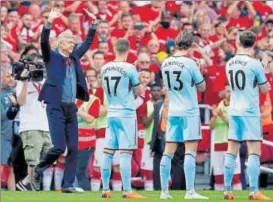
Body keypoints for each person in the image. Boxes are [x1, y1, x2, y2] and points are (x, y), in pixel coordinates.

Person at [31, 8, 97, 193]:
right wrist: (49, 22)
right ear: (60, 42)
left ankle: (68, 185)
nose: (73, 44)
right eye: (70, 41)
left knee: (74, 148)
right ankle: (39, 168)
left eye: (73, 42)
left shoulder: (74, 57)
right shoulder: (51, 56)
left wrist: (93, 25)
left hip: (71, 108)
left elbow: (88, 42)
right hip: (55, 107)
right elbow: (43, 41)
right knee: (59, 147)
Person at [223, 31, 272, 200]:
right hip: (250, 111)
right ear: (254, 43)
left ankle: (227, 190)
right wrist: (264, 68)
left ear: (238, 42)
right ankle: (254, 191)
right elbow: (265, 89)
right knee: (254, 151)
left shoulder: (229, 63)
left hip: (234, 110)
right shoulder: (255, 64)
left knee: (231, 150)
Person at [160, 32, 208, 200]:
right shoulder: (190, 63)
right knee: (190, 151)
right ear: (190, 46)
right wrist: (199, 67)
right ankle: (190, 192)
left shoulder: (165, 62)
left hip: (173, 110)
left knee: (168, 152)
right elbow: (202, 87)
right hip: (189, 111)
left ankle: (164, 192)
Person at [100, 38, 146, 199]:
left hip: (111, 111)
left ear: (114, 48)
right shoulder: (130, 68)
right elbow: (139, 91)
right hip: (126, 113)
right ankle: (127, 190)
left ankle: (105, 189)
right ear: (128, 49)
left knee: (108, 152)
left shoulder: (104, 68)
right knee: (125, 153)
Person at [210, 84, 242, 191]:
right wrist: (215, 116)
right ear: (224, 92)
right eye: (228, 91)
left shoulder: (238, 107)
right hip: (218, 144)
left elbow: (233, 125)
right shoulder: (219, 105)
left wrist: (221, 115)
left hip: (232, 144)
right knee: (219, 176)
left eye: (232, 91)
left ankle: (237, 195)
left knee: (235, 176)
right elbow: (211, 126)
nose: (230, 94)